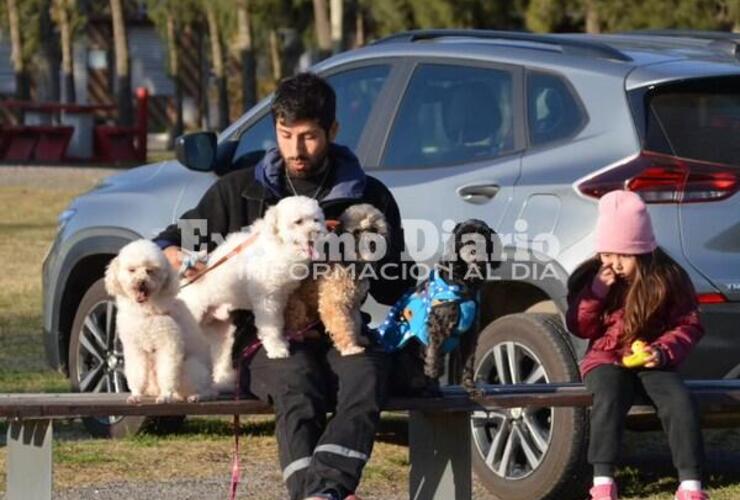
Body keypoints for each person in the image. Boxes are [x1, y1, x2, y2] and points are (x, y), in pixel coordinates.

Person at [154, 72, 415, 500]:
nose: (295, 148)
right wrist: (178, 257)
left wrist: (376, 256)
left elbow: (392, 287)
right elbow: (172, 241)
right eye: (285, 134)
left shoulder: (368, 196)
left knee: (366, 374)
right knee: (297, 382)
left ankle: (321, 492)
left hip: (341, 330)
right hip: (262, 335)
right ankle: (319, 494)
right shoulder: (240, 190)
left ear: (332, 131)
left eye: (309, 136)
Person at [566, 190, 708, 500]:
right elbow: (579, 326)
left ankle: (690, 484)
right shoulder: (594, 279)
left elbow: (689, 323)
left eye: (623, 255)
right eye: (606, 254)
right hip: (605, 358)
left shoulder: (667, 277)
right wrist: (596, 293)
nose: (613, 263)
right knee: (609, 393)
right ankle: (603, 480)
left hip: (652, 357)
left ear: (642, 252)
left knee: (678, 400)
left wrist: (662, 351)